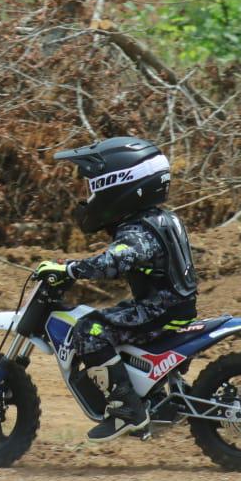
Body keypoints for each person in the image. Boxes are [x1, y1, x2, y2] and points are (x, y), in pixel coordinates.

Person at [37, 136, 198, 443]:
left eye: (95, 188)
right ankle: (149, 396)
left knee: (89, 330)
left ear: (120, 185)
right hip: (169, 305)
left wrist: (71, 269)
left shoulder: (139, 228)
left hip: (159, 310)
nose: (90, 198)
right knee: (110, 319)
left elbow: (117, 260)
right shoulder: (158, 218)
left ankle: (127, 410)